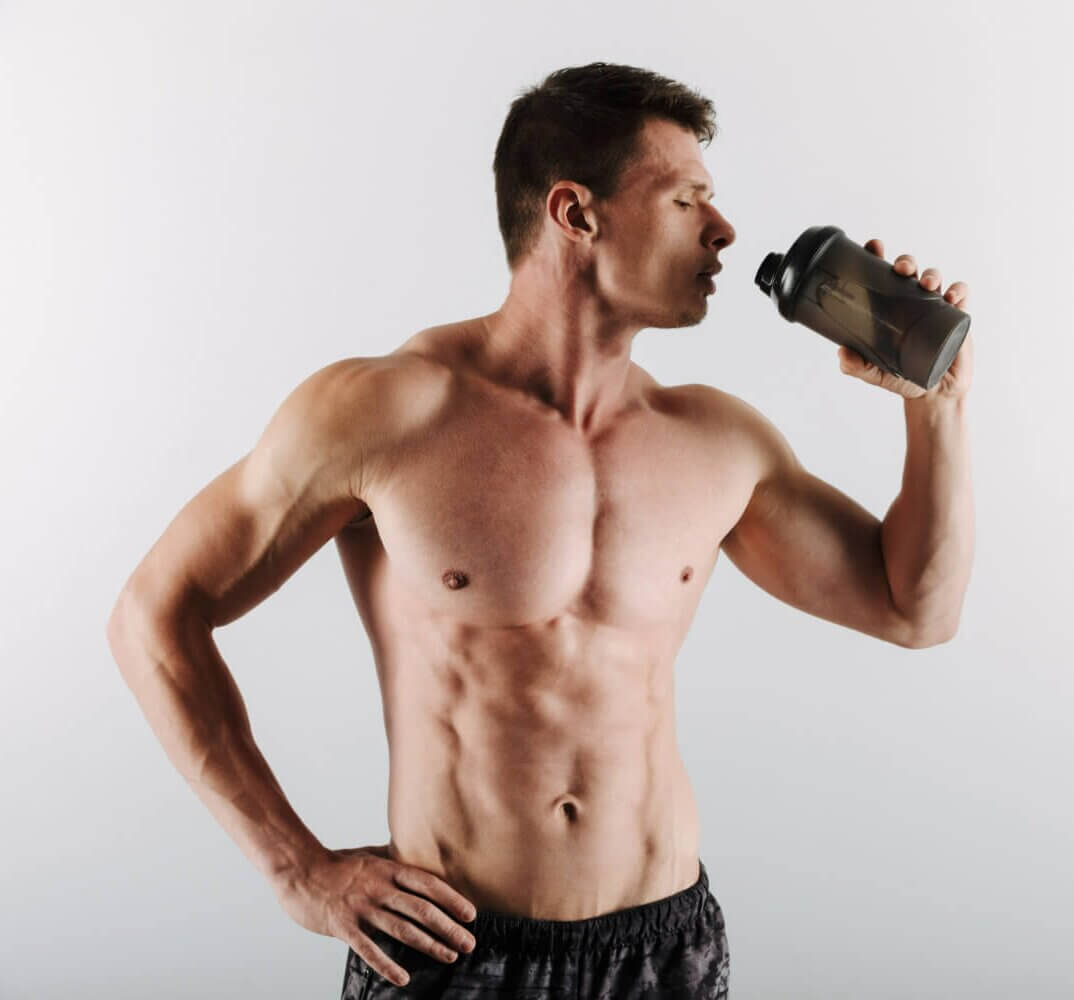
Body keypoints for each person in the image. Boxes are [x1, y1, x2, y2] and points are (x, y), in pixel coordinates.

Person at [105, 62, 974, 999]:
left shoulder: (717, 441)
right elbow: (154, 614)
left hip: (662, 951)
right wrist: (296, 870)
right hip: (452, 948)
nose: (722, 229)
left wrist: (937, 410)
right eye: (687, 200)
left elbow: (914, 609)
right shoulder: (385, 414)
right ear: (575, 213)